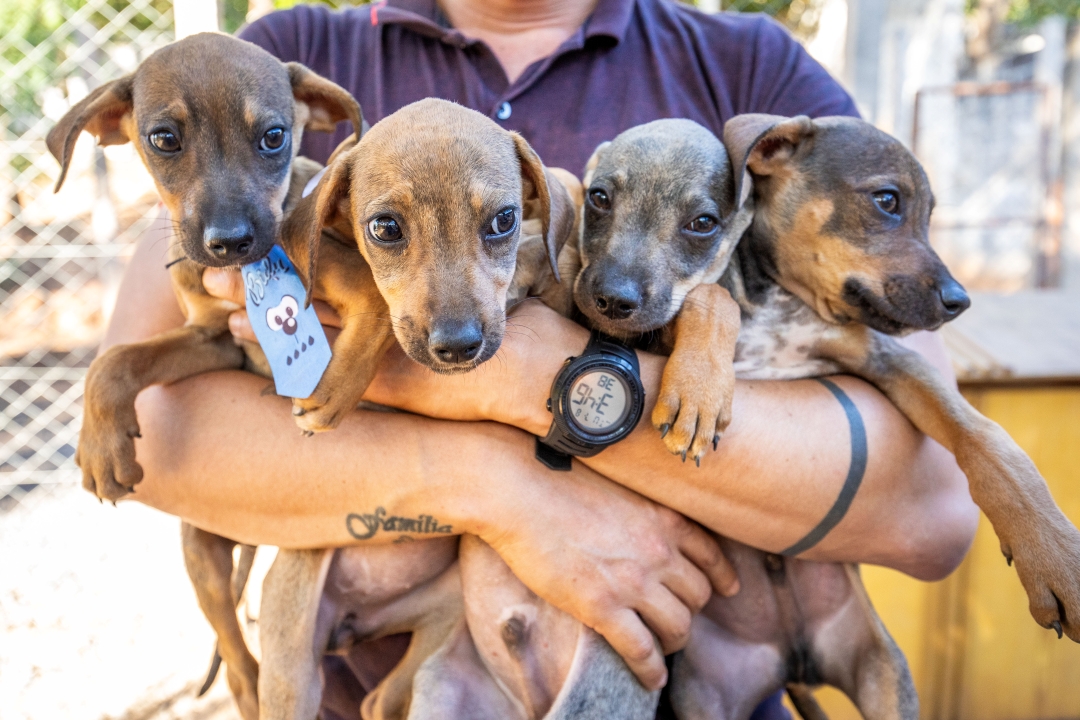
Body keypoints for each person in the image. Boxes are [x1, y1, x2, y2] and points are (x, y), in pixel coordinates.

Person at [107, 0, 978, 716]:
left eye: (499, 227)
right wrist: (507, 490)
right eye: (386, 232)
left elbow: (932, 509)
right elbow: (148, 444)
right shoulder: (277, 67)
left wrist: (542, 376)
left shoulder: (748, 70)